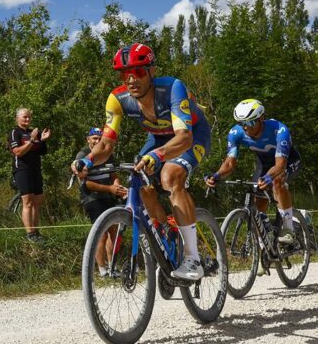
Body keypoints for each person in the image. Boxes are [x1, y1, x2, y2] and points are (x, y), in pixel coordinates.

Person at [71, 42, 211, 281]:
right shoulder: (117, 98)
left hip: (191, 135)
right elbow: (105, 145)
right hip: (158, 137)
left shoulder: (172, 88)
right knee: (138, 180)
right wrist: (88, 160)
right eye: (124, 74)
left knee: (170, 176)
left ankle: (193, 258)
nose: (131, 79)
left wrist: (157, 155)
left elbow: (184, 137)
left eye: (137, 72)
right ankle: (164, 233)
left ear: (151, 71)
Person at [204, 99, 301, 245]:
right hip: (264, 164)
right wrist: (216, 175)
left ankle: (289, 229)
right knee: (257, 201)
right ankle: (264, 246)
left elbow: (280, 165)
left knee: (277, 181)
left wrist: (269, 177)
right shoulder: (236, 133)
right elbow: (229, 163)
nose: (245, 127)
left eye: (249, 122)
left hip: (287, 161)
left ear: (261, 118)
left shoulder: (279, 130)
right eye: (241, 123)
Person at [74, 127, 127, 274]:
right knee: (101, 233)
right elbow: (85, 183)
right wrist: (110, 188)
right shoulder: (83, 155)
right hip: (92, 198)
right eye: (94, 138)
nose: (97, 141)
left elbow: (114, 175)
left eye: (100, 138)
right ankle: (102, 268)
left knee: (114, 230)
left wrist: (117, 187)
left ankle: (112, 265)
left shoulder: (108, 154)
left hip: (109, 196)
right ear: (88, 139)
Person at [9, 108, 50, 241]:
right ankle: (30, 234)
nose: (27, 119)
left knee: (37, 201)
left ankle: (36, 232)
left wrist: (43, 140)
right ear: (17, 119)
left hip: (36, 169)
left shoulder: (34, 132)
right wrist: (31, 140)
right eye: (25, 117)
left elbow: (42, 152)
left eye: (29, 117)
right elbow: (18, 152)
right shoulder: (15, 132)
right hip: (22, 169)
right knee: (27, 201)